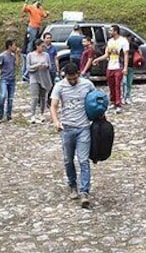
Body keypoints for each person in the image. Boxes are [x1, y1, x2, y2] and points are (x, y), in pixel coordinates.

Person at [50, 62, 96, 208]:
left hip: (83, 128)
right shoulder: (59, 86)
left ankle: (84, 192)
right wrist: (56, 121)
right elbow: (53, 105)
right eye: (69, 79)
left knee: (83, 160)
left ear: (78, 74)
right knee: (68, 160)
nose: (72, 81)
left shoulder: (87, 85)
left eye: (74, 78)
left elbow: (96, 99)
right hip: (67, 128)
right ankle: (72, 185)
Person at [92, 24, 128, 113]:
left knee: (117, 85)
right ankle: (112, 101)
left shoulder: (123, 41)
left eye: (111, 31)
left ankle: (118, 103)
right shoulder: (110, 41)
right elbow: (106, 54)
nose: (109, 32)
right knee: (111, 85)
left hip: (119, 66)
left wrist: (125, 67)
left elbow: (126, 55)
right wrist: (97, 59)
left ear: (115, 31)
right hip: (110, 66)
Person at [21, 0, 49, 79]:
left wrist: (46, 12)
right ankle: (29, 52)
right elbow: (24, 9)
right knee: (31, 40)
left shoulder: (39, 9)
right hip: (32, 27)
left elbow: (44, 15)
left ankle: (30, 51)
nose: (40, 3)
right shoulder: (31, 7)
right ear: (36, 1)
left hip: (37, 27)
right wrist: (26, 0)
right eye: (39, 2)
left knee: (35, 41)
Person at [26, 38, 52, 124]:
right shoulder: (30, 55)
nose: (43, 47)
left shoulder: (46, 55)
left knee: (43, 96)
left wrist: (45, 66)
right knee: (35, 96)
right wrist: (36, 66)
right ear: (37, 46)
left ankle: (42, 113)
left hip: (44, 77)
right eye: (42, 46)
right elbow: (28, 68)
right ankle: (32, 114)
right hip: (34, 77)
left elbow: (50, 66)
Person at [0, 38, 20, 123]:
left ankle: (9, 116)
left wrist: (17, 54)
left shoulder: (13, 56)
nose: (15, 47)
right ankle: (0, 115)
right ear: (9, 46)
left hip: (12, 79)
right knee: (3, 96)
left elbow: (17, 64)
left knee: (10, 98)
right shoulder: (2, 56)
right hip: (4, 79)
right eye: (14, 45)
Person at [122, 32, 142, 105]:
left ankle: (128, 97)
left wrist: (138, 58)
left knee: (129, 83)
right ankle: (123, 97)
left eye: (128, 38)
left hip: (131, 66)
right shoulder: (122, 45)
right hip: (123, 66)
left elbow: (139, 51)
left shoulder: (133, 45)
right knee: (124, 82)